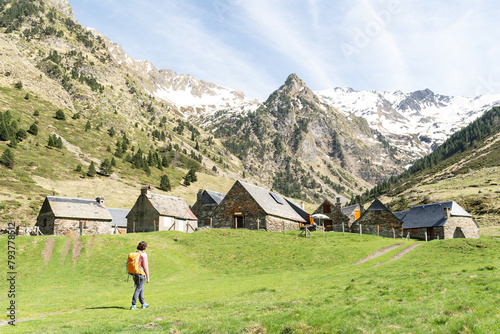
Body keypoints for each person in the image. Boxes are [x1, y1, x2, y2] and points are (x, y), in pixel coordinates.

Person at [130, 241, 150, 310]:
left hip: (135, 273)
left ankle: (143, 304)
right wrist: (148, 277)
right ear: (144, 247)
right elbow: (145, 266)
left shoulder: (136, 253)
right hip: (141, 274)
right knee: (138, 289)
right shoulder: (143, 255)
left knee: (141, 288)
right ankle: (133, 305)